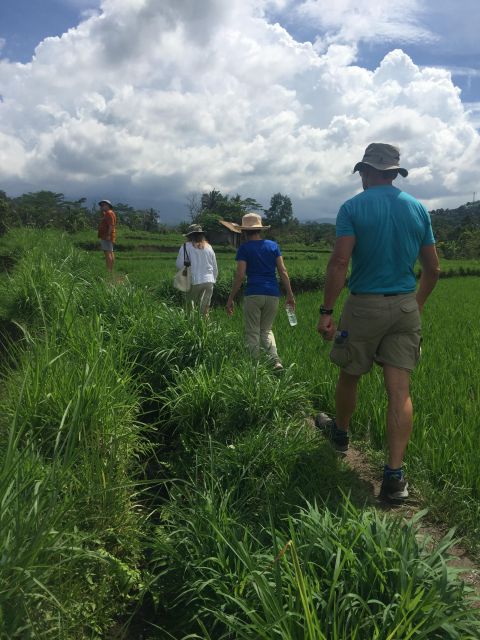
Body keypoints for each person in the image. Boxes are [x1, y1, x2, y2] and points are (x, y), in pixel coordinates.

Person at [316, 143, 440, 503]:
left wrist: (326, 311)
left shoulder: (353, 207)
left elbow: (340, 263)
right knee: (399, 391)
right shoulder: (417, 209)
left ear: (366, 173)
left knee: (350, 374)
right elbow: (433, 270)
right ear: (394, 173)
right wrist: (413, 305)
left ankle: (340, 436)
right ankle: (394, 477)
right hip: (404, 308)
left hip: (363, 307)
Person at [225, 212, 295, 371]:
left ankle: (254, 368)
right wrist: (290, 295)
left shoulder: (244, 248)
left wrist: (230, 299)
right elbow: (283, 271)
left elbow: (240, 275)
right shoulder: (273, 246)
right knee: (266, 330)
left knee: (252, 332)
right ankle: (275, 361)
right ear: (260, 229)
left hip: (254, 293)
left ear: (243, 231)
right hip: (273, 294)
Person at [176, 224, 218, 316]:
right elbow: (215, 266)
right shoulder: (209, 247)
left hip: (194, 281)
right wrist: (213, 279)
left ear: (189, 236)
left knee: (190, 310)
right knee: (204, 311)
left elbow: (179, 265)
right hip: (209, 281)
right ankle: (204, 329)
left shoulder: (186, 246)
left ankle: (192, 328)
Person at [97, 199, 117, 273]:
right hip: (107, 235)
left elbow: (111, 225)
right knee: (110, 252)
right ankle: (110, 270)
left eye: (103, 205)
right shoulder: (108, 213)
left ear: (108, 206)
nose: (101, 207)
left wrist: (108, 235)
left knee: (108, 253)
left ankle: (109, 270)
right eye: (101, 205)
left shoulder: (109, 213)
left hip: (107, 236)